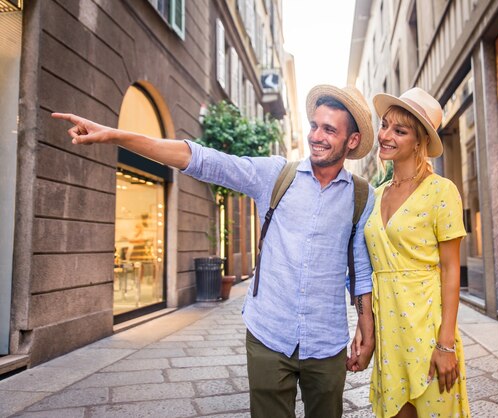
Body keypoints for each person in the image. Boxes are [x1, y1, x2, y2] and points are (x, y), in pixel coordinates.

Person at [52, 84, 376, 418]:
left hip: (326, 342)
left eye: (329, 129)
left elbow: (360, 272)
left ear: (351, 141)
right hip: (269, 334)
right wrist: (116, 136)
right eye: (314, 126)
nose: (316, 136)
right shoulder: (276, 175)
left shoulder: (361, 197)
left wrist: (367, 333)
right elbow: (204, 160)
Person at [354, 87, 471, 418]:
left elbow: (451, 271)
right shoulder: (373, 197)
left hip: (428, 328)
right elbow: (365, 269)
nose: (385, 135)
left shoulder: (441, 191)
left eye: (399, 130)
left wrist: (445, 344)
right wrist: (364, 330)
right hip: (389, 331)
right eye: (385, 125)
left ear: (420, 142)